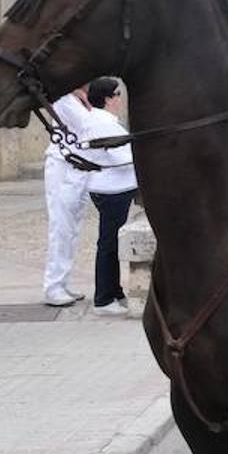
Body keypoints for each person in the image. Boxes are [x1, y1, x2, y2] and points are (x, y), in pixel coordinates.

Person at [80, 77, 137, 317]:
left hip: (112, 188)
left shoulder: (102, 120)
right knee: (109, 244)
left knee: (110, 242)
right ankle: (103, 299)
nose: (120, 100)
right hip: (112, 190)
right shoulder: (104, 123)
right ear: (108, 99)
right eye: (117, 95)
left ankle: (114, 291)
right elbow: (122, 157)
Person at [42, 87, 94, 307]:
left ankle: (62, 283)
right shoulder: (63, 98)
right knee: (61, 227)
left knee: (72, 229)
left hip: (79, 168)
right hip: (63, 165)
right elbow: (88, 126)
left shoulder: (80, 99)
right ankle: (53, 287)